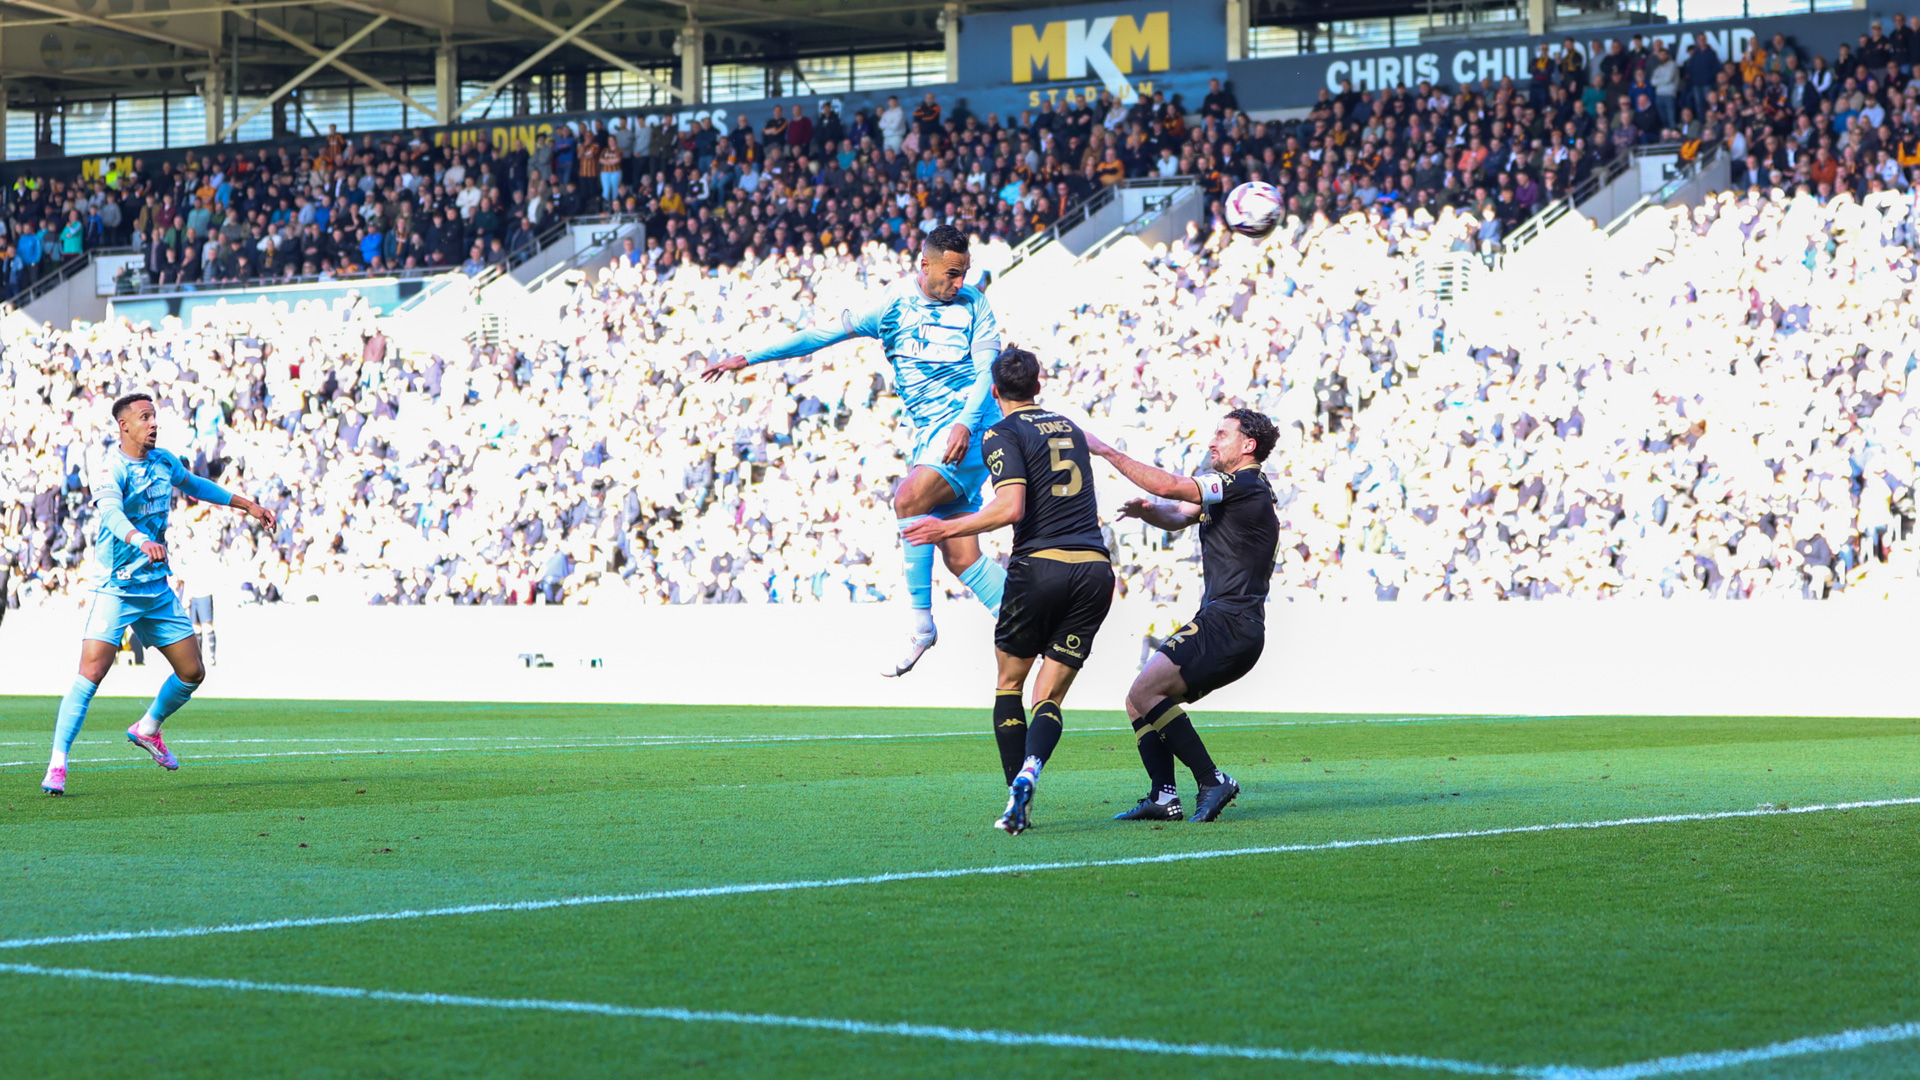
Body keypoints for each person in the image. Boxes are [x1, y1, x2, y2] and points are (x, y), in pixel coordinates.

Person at [701, 224, 1008, 676]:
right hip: (931, 437)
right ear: (925, 265)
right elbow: (819, 334)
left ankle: (921, 625)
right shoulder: (891, 305)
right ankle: (1018, 615)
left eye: (964, 273)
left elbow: (989, 372)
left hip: (973, 428)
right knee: (961, 557)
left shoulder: (975, 304)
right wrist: (749, 357)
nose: (959, 283)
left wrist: (964, 422)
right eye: (952, 273)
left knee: (908, 498)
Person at [903, 345, 1111, 835]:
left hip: (1040, 569)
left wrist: (944, 530)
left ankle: (1015, 798)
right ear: (1039, 386)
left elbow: (1011, 507)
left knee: (1010, 685)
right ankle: (1031, 771)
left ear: (994, 392)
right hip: (1095, 569)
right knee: (1050, 697)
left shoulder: (1001, 432)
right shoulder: (1070, 428)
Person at [40, 393, 278, 796]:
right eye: (145, 417)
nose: (153, 423)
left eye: (155, 416)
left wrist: (246, 505)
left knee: (193, 672)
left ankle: (147, 728)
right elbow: (111, 513)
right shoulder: (110, 469)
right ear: (124, 426)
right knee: (92, 674)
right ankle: (58, 763)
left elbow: (196, 485)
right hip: (115, 586)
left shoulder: (163, 460)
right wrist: (139, 538)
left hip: (155, 588)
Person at [1085, 408, 1281, 823]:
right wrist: (1147, 513)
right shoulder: (1236, 490)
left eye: (1222, 435)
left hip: (1229, 623)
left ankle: (1213, 780)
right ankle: (1163, 796)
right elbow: (1178, 514)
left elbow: (1174, 488)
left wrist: (1104, 451)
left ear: (1248, 446)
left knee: (1144, 693)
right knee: (1137, 703)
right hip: (1225, 621)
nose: (1212, 441)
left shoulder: (1243, 483)